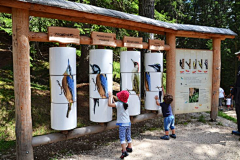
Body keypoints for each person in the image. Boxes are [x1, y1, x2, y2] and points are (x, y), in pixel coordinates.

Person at [108, 90, 132, 159]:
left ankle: (124, 151)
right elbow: (117, 102)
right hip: (128, 123)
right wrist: (112, 97)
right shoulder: (126, 103)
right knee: (128, 136)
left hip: (122, 124)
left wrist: (110, 97)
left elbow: (110, 104)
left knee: (122, 138)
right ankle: (129, 147)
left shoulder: (118, 104)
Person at [232, 51, 240, 135]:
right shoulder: (239, 67)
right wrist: (234, 91)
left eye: (239, 55)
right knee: (238, 110)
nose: (238, 57)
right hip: (238, 90)